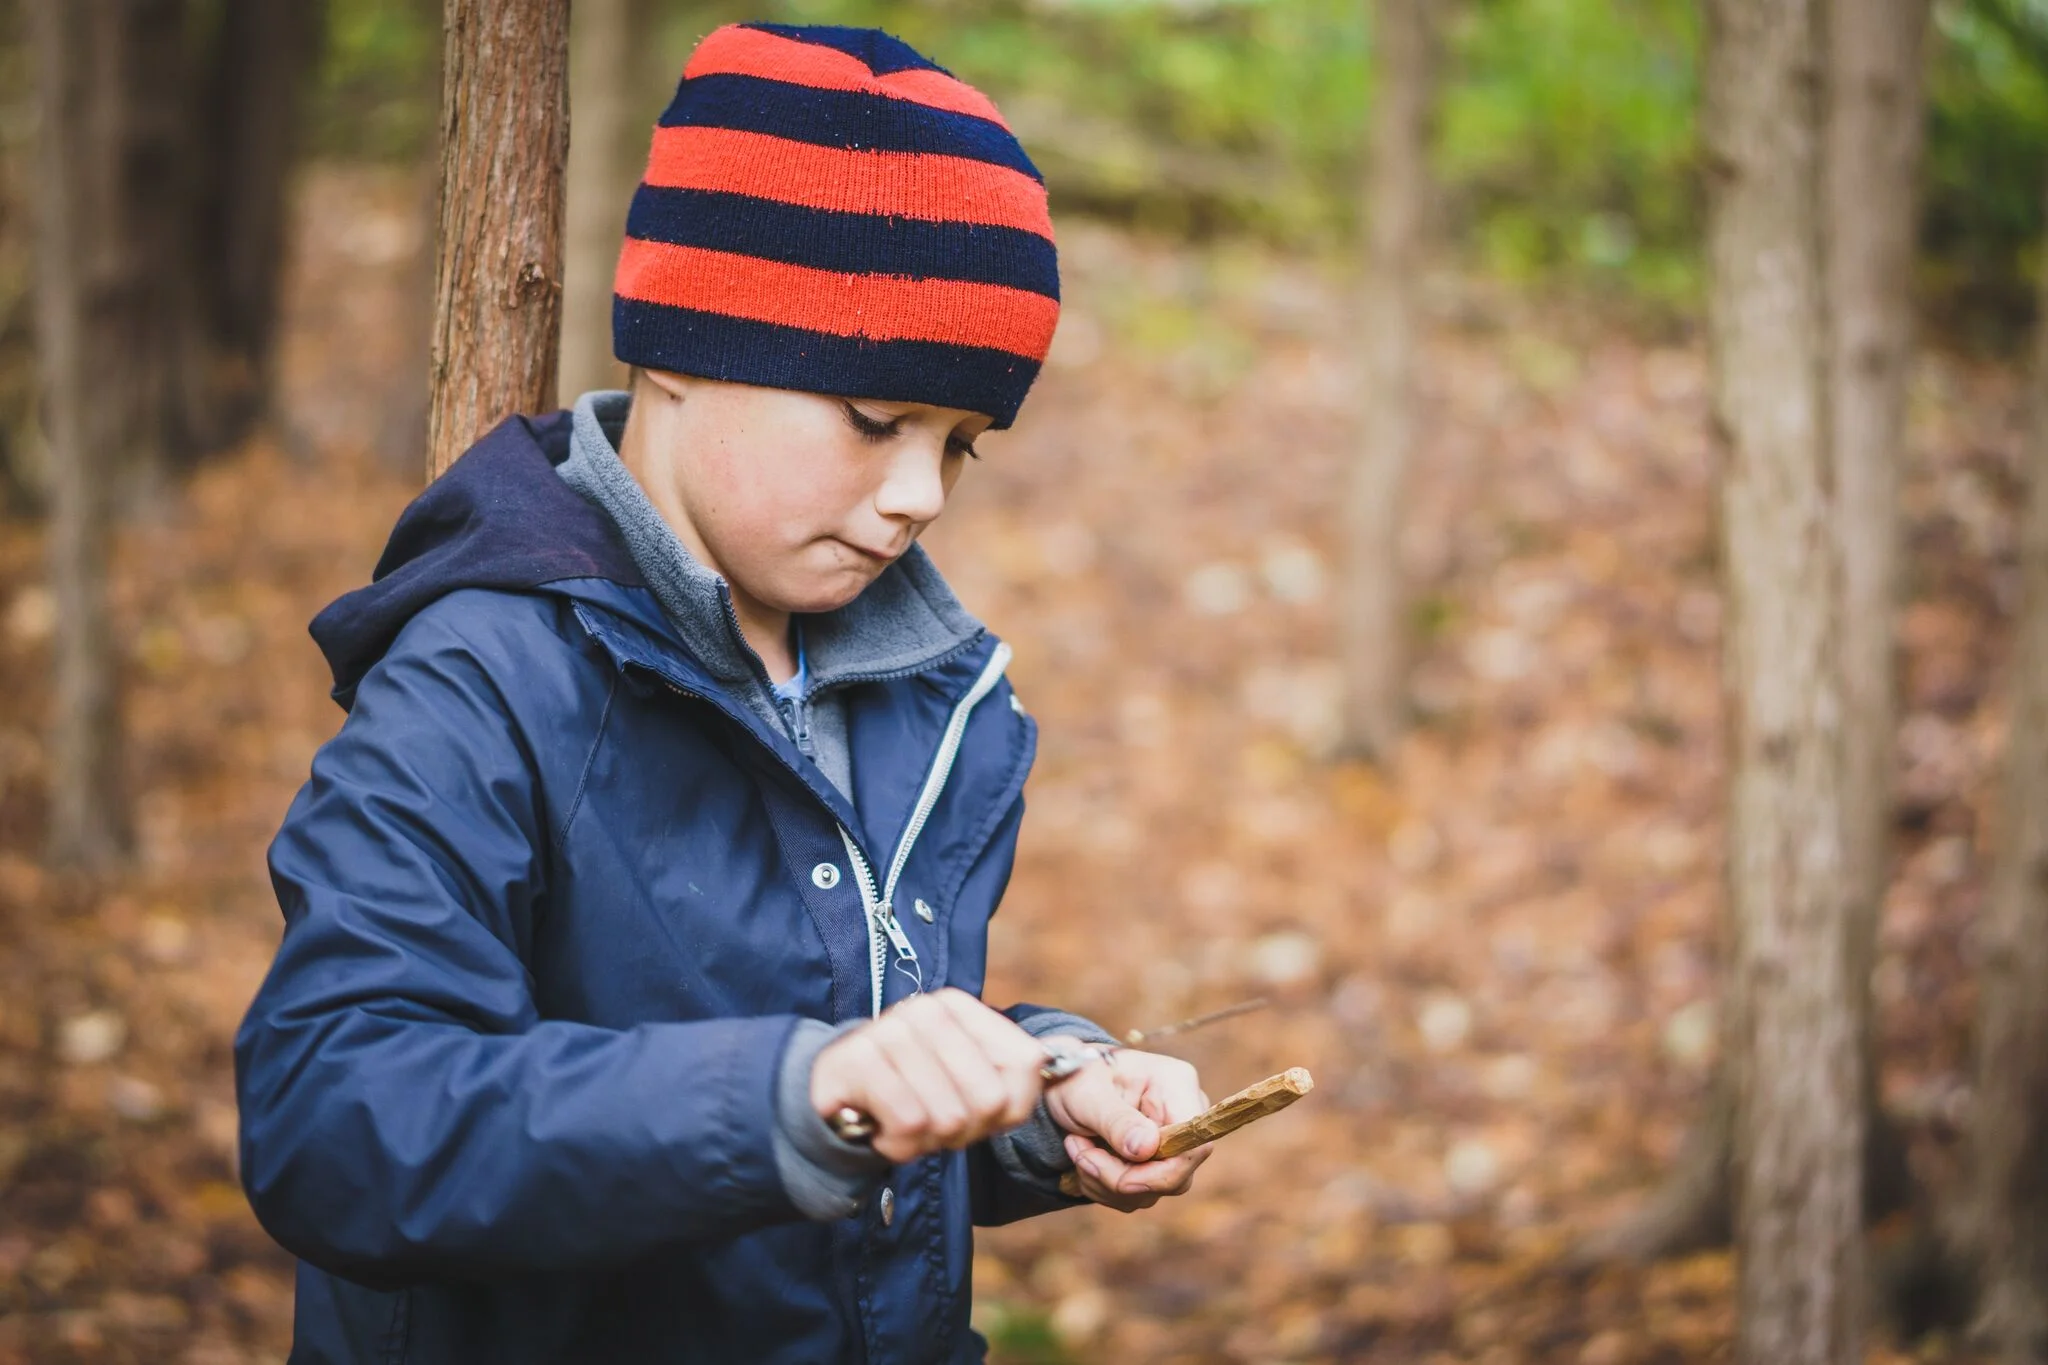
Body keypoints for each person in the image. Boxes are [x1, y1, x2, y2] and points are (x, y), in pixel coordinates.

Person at [234, 22, 1211, 1364]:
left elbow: (852, 1064)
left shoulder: (929, 698)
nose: (920, 495)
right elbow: (337, 1117)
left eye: (961, 446)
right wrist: (793, 1095)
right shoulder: (486, 673)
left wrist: (1044, 1092)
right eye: (876, 421)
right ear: (682, 347)